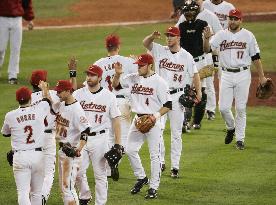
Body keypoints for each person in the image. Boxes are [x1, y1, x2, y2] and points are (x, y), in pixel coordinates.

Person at [204, 9, 268, 150]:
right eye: (231, 18)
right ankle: (231, 127)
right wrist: (206, 38)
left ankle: (240, 140)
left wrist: (262, 76)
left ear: (241, 20)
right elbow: (207, 49)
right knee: (223, 108)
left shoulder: (248, 36)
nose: (232, 21)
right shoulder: (221, 35)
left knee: (240, 108)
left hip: (243, 75)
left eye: (235, 19)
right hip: (226, 74)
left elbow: (255, 57)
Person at [143, 26, 201, 178]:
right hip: (160, 97)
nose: (168, 38)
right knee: (158, 129)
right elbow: (145, 43)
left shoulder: (186, 56)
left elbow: (195, 75)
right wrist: (152, 36)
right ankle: (161, 161)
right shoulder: (160, 50)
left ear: (178, 38)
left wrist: (199, 92)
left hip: (177, 97)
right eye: (167, 35)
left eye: (172, 36)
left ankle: (175, 166)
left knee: (176, 133)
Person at [112, 53, 172, 199]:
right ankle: (141, 178)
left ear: (149, 65)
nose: (138, 67)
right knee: (130, 150)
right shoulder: (133, 78)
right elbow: (116, 85)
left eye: (141, 65)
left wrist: (154, 117)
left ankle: (153, 187)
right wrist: (117, 74)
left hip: (154, 121)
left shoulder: (159, 82)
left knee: (155, 156)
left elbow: (168, 105)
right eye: (138, 65)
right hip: (137, 120)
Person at [73, 64, 122, 205]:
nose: (89, 77)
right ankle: (85, 196)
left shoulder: (109, 96)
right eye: (87, 74)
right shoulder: (78, 94)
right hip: (81, 139)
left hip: (100, 138)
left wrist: (118, 144)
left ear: (99, 77)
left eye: (92, 75)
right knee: (77, 172)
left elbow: (116, 121)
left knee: (100, 175)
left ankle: (100, 203)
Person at [40, 79, 92, 204]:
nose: (57, 94)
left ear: (68, 91)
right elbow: (50, 105)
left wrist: (78, 149)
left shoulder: (76, 109)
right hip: (63, 151)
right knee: (64, 188)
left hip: (71, 153)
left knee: (67, 188)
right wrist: (44, 90)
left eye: (60, 91)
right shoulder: (62, 104)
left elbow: (86, 131)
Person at [93, 34, 137, 176]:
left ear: (107, 47)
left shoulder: (98, 63)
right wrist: (136, 62)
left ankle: (106, 170)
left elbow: (91, 85)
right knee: (122, 137)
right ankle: (114, 163)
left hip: (104, 103)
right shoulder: (128, 61)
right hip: (122, 102)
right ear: (118, 47)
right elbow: (142, 77)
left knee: (108, 137)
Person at [1, 86, 51, 204]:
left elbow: (5, 133)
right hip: (38, 155)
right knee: (36, 193)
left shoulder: (10, 115)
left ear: (17, 100)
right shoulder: (40, 109)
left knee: (23, 192)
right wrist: (44, 88)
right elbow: (47, 100)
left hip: (20, 157)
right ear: (30, 98)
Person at [176, 0, 223, 121]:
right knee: (188, 87)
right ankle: (187, 116)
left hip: (205, 56)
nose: (189, 12)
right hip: (187, 59)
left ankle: (210, 110)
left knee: (207, 85)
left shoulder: (209, 17)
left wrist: (215, 60)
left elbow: (218, 35)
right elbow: (176, 32)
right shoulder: (182, 20)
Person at [29, 69, 59, 204]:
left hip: (31, 139)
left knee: (32, 171)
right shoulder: (53, 94)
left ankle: (32, 198)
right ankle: (42, 197)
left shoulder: (26, 98)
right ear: (44, 82)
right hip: (47, 138)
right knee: (48, 172)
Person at [178, 0, 209, 130]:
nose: (188, 13)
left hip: (201, 61)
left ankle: (196, 122)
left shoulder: (203, 24)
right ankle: (185, 121)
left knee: (201, 92)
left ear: (196, 11)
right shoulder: (180, 27)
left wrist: (207, 38)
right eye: (186, 11)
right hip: (186, 62)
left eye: (191, 11)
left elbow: (207, 49)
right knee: (186, 91)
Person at [0, 0, 34, 84]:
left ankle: (13, 76)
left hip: (17, 19)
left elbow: (26, 3)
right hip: (1, 18)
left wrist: (29, 19)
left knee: (16, 48)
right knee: (0, 48)